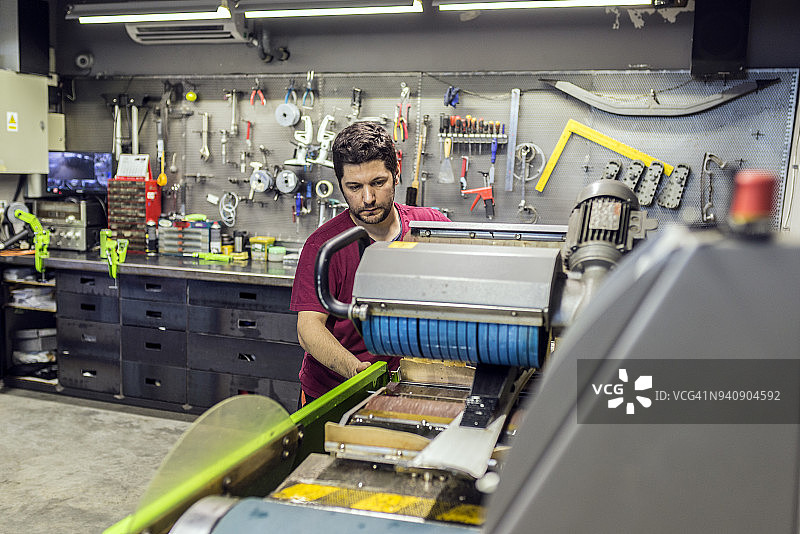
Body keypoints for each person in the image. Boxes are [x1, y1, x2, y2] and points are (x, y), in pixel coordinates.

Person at [290, 122, 450, 406]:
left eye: (378, 183)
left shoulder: (431, 227)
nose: (368, 198)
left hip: (409, 387)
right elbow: (309, 329)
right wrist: (355, 370)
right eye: (354, 187)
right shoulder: (324, 247)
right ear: (341, 185)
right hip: (336, 392)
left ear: (396, 174)